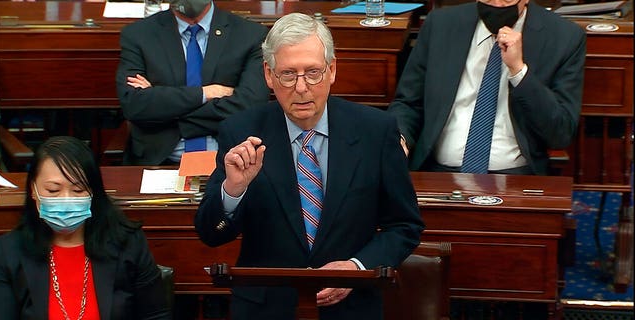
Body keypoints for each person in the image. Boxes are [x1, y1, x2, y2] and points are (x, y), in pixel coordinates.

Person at [194, 12, 425, 320]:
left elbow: (405, 226)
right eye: (288, 74)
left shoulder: (376, 131)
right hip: (266, 309)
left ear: (331, 70)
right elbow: (211, 233)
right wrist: (233, 189)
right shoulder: (241, 131)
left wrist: (355, 267)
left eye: (313, 72)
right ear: (268, 75)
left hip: (350, 309)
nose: (301, 87)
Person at [388, 0, 586, 175]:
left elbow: (561, 133)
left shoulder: (563, 37)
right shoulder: (441, 24)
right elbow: (408, 102)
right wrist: (400, 138)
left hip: (516, 177)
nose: (497, 5)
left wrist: (519, 72)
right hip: (437, 172)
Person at [0, 136, 171, 319]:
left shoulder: (128, 243)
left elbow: (156, 315)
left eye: (78, 190)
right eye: (53, 191)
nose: (66, 199)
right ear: (33, 190)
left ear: (93, 191)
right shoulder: (5, 253)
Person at [116, 0, 270, 165]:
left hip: (232, 160)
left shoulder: (251, 35)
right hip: (159, 161)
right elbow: (134, 104)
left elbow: (250, 105)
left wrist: (166, 109)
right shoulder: (138, 35)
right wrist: (205, 94)